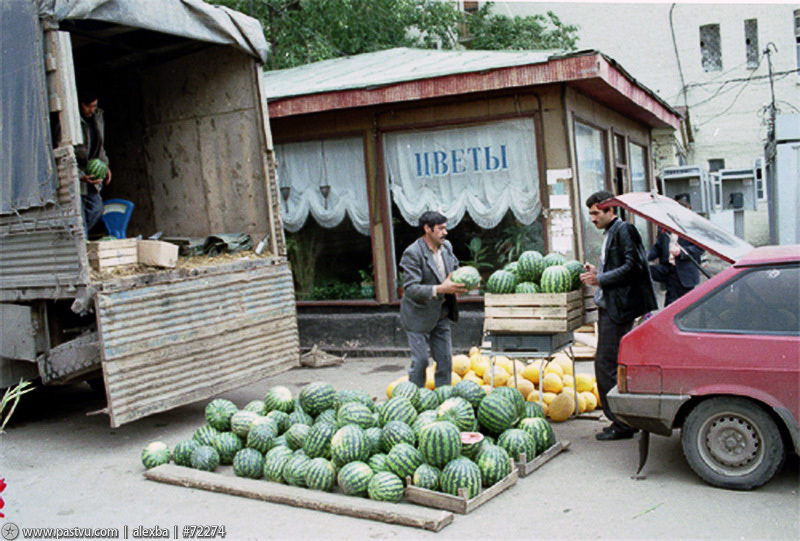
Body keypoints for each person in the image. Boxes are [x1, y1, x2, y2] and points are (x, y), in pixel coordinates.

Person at [580, 190, 657, 440]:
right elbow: (620, 265)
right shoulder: (611, 232)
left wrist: (600, 279)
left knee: (605, 364)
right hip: (612, 306)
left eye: (595, 213)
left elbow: (634, 266)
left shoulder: (624, 230)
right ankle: (622, 420)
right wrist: (597, 270)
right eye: (590, 213)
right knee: (609, 363)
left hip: (618, 307)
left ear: (611, 210)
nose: (592, 218)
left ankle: (621, 424)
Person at [399, 211, 467, 388]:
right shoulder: (412, 253)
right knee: (421, 361)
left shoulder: (447, 247)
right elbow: (411, 288)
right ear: (427, 229)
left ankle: (443, 398)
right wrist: (440, 289)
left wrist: (464, 282)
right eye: (440, 228)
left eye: (446, 228)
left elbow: (455, 270)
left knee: (445, 361)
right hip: (417, 316)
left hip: (441, 313)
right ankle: (415, 397)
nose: (445, 232)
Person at [648, 194, 705, 306]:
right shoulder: (665, 227)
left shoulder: (693, 228)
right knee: (642, 271)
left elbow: (700, 248)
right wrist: (644, 256)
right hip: (668, 269)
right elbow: (658, 248)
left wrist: (681, 252)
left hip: (684, 272)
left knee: (682, 305)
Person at [75, 90, 112, 236]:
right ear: (80, 104)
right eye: (88, 106)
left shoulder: (97, 117)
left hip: (91, 174)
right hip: (77, 173)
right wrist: (80, 175)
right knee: (79, 212)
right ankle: (80, 242)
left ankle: (80, 236)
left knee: (96, 208)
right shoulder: (71, 121)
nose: (92, 110)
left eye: (94, 106)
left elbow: (99, 146)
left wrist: (105, 166)